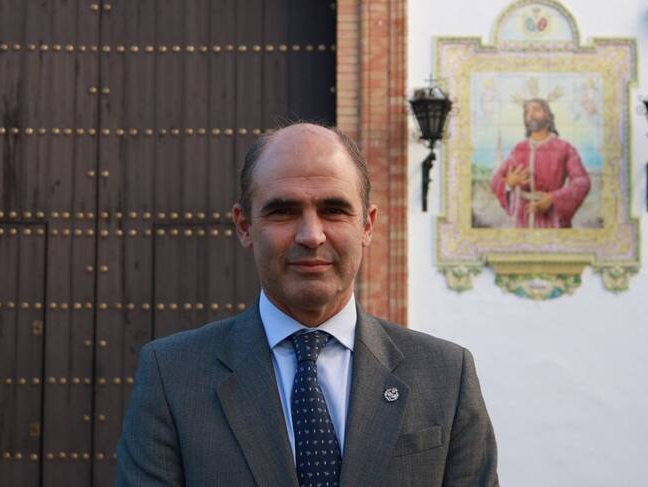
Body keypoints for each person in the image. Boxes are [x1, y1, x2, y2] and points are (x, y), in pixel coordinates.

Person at [116, 123, 498, 486]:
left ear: (367, 225)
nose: (311, 235)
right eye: (283, 211)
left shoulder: (447, 377)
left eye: (334, 210)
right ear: (244, 226)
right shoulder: (173, 377)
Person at [490, 98, 591, 228]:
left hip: (553, 221)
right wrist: (509, 183)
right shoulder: (519, 149)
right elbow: (496, 180)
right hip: (524, 219)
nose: (531, 114)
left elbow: (582, 182)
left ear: (548, 115)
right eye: (527, 112)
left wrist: (554, 198)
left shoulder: (564, 148)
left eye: (536, 110)